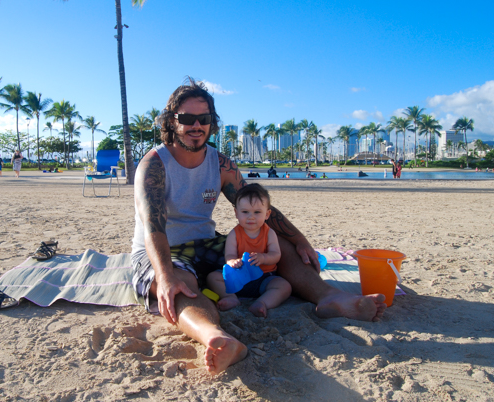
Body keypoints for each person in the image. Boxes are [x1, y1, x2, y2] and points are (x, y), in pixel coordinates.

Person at [131, 78, 386, 375]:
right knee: (178, 285)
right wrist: (164, 276)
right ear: (171, 121)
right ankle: (217, 338)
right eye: (187, 119)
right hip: (162, 250)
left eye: (204, 118)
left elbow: (258, 207)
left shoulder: (220, 164)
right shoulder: (154, 165)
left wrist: (300, 240)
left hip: (207, 244)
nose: (197, 125)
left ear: (212, 123)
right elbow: (153, 227)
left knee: (276, 242)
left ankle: (331, 298)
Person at [206, 184, 290, 318]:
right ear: (236, 213)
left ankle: (262, 303)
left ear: (267, 214)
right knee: (213, 277)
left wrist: (263, 258)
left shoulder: (269, 233)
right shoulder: (234, 234)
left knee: (284, 286)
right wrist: (233, 261)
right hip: (238, 278)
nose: (251, 217)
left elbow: (276, 255)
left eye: (257, 212)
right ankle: (230, 297)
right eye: (245, 212)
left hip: (264, 278)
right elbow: (229, 255)